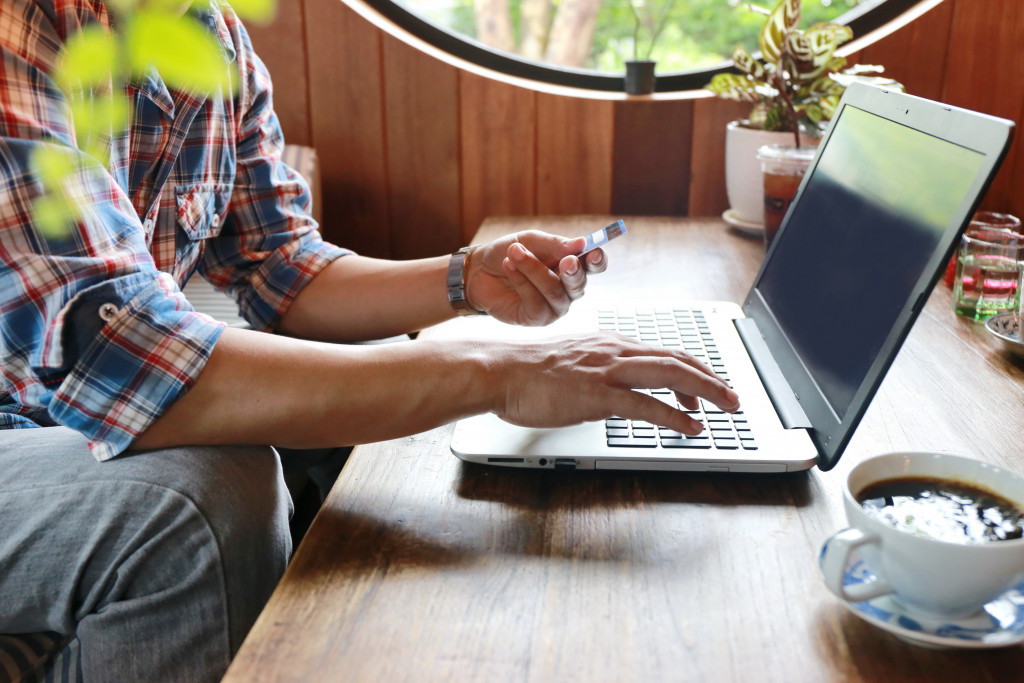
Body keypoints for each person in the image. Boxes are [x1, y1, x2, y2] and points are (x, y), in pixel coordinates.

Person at [0, 1, 740, 680]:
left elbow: (282, 267)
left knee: (358, 431)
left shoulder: (209, 34)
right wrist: (494, 371)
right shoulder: (23, 26)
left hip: (63, 425)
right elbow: (118, 358)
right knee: (205, 500)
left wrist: (465, 281)